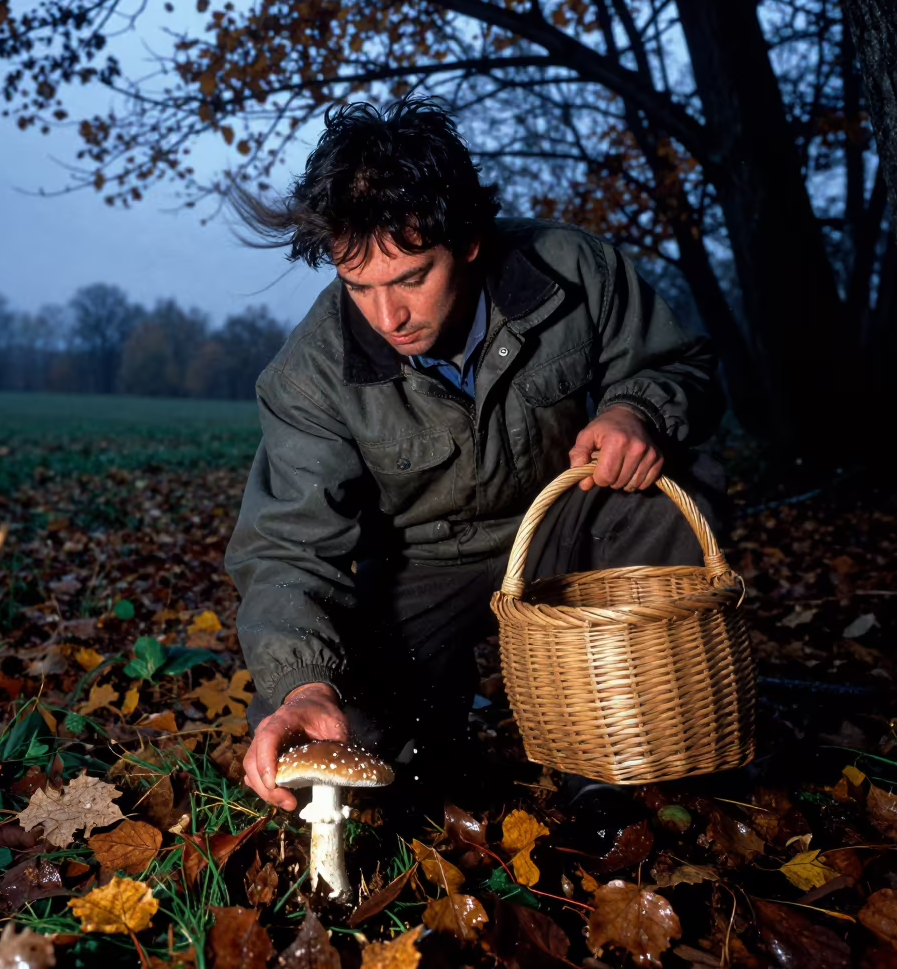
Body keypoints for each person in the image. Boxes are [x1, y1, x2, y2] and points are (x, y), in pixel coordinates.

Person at [224, 98, 725, 812]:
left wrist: (635, 411)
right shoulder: (309, 373)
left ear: (465, 242)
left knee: (669, 485)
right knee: (335, 757)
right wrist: (305, 685)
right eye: (357, 285)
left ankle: (612, 767)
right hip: (417, 572)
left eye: (409, 278)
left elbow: (683, 367)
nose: (387, 316)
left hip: (562, 535)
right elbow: (286, 549)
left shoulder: (576, 269)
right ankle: (440, 740)